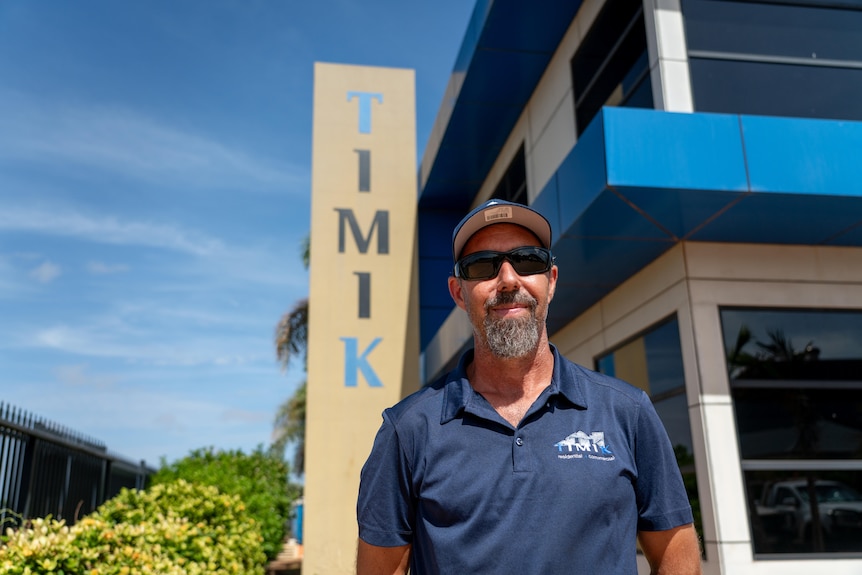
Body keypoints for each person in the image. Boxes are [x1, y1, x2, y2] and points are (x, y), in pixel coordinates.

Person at [356, 199, 702, 574]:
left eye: (528, 261)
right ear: (458, 293)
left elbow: (676, 558)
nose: (508, 279)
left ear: (550, 281)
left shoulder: (628, 412)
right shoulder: (406, 430)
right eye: (483, 266)